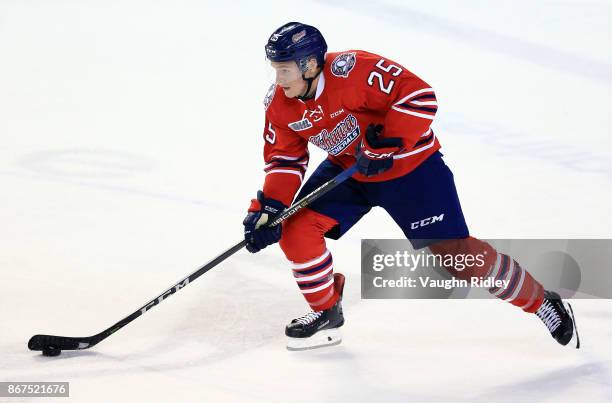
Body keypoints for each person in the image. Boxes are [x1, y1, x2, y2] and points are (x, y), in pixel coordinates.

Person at [243, 22, 579, 350]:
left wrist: (388, 143)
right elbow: (285, 161)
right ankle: (326, 309)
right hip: (351, 169)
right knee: (295, 229)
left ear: (311, 64)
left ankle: (542, 301)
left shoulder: (354, 69)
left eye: (284, 70)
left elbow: (419, 97)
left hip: (411, 169)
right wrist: (271, 207)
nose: (278, 79)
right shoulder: (279, 104)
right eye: (275, 69)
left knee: (459, 260)